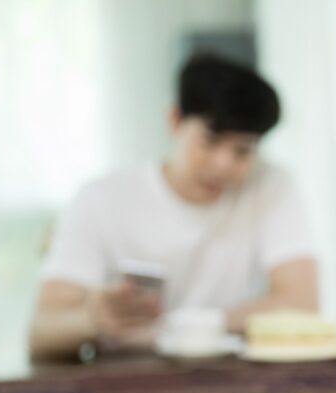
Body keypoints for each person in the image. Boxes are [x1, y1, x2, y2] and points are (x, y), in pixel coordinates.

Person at [29, 53, 317, 360]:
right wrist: (94, 318)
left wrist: (189, 327)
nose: (223, 164)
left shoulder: (270, 185)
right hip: (127, 381)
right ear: (174, 120)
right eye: (210, 141)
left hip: (232, 378)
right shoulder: (100, 199)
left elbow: (301, 303)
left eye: (242, 151)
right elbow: (42, 332)